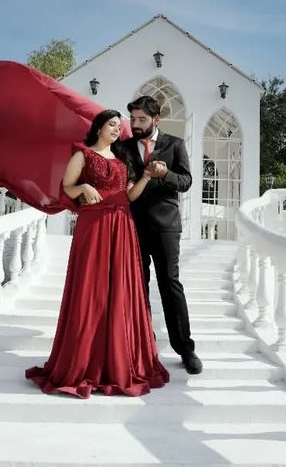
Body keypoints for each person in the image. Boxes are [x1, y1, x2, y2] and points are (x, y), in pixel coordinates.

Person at [25, 109, 169, 398]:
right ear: (100, 126)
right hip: (94, 226)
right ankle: (83, 363)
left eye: (120, 126)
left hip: (123, 227)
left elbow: (128, 195)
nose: (117, 129)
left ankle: (116, 362)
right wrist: (84, 186)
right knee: (91, 290)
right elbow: (66, 187)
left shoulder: (122, 159)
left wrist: (147, 178)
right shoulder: (82, 154)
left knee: (120, 292)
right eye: (112, 124)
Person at [122, 96, 203, 375]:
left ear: (156, 120)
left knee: (170, 283)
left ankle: (185, 348)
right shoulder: (124, 147)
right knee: (137, 285)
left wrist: (166, 173)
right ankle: (144, 346)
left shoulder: (175, 144)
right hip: (131, 225)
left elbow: (186, 182)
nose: (135, 124)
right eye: (133, 119)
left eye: (142, 119)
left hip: (166, 226)